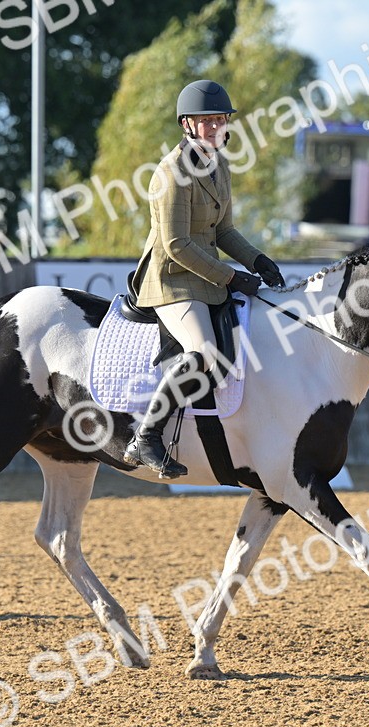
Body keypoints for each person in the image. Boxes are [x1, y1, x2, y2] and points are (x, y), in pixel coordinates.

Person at [123, 79, 285, 479]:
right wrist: (232, 277)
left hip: (207, 276)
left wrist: (257, 258)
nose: (215, 128)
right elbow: (176, 244)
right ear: (187, 125)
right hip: (172, 280)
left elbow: (224, 231)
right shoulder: (169, 173)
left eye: (220, 120)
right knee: (207, 354)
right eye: (206, 121)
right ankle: (147, 435)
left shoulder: (220, 165)